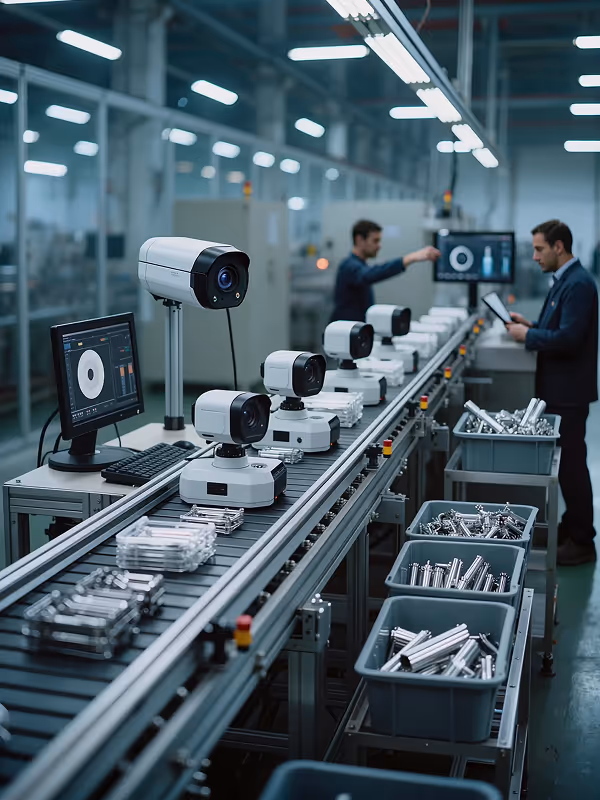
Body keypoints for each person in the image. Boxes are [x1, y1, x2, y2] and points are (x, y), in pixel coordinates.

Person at [506, 219, 598, 566]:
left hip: (569, 393)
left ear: (559, 247)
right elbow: (559, 328)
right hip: (559, 389)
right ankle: (573, 527)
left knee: (573, 466)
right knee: (567, 466)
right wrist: (530, 326)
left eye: (540, 249)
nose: (534, 256)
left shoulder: (579, 284)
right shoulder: (565, 281)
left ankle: (583, 542)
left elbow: (571, 339)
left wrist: (528, 338)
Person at [330, 219, 440, 322]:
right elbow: (369, 275)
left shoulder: (358, 265)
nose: (379, 246)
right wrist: (410, 258)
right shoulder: (348, 266)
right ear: (359, 240)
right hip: (345, 334)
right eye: (375, 241)